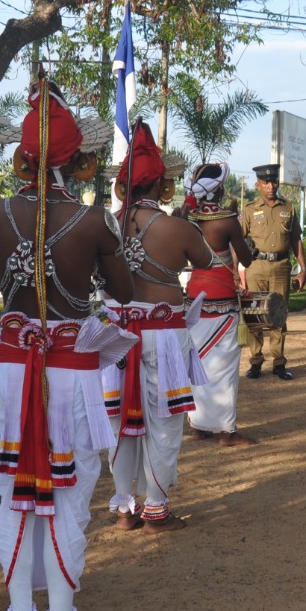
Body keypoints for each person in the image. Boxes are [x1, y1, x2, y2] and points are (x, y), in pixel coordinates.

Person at [0, 85, 135, 611]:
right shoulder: (94, 221)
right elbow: (123, 291)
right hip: (69, 375)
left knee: (16, 495)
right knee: (68, 497)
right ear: (79, 162)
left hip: (15, 373)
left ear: (23, 158)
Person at [104, 123, 216, 532]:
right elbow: (206, 261)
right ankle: (155, 509)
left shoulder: (103, 223)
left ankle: (124, 509)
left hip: (115, 337)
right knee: (164, 423)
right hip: (163, 335)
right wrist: (184, 224)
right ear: (161, 185)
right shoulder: (177, 227)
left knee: (120, 425)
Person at [184, 162, 257, 446]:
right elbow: (245, 258)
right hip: (222, 298)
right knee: (224, 368)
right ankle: (228, 432)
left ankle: (198, 426)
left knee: (198, 361)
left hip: (195, 297)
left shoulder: (187, 218)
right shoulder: (227, 219)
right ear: (219, 189)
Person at [238, 163, 306, 380]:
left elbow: (296, 240)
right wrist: (235, 272)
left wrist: (303, 269)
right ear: (258, 184)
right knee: (254, 314)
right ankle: (256, 361)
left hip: (280, 267)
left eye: (274, 181)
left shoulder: (288, 208)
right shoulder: (249, 210)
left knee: (279, 314)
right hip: (256, 266)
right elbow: (238, 241)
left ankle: (279, 362)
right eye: (265, 182)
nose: (271, 186)